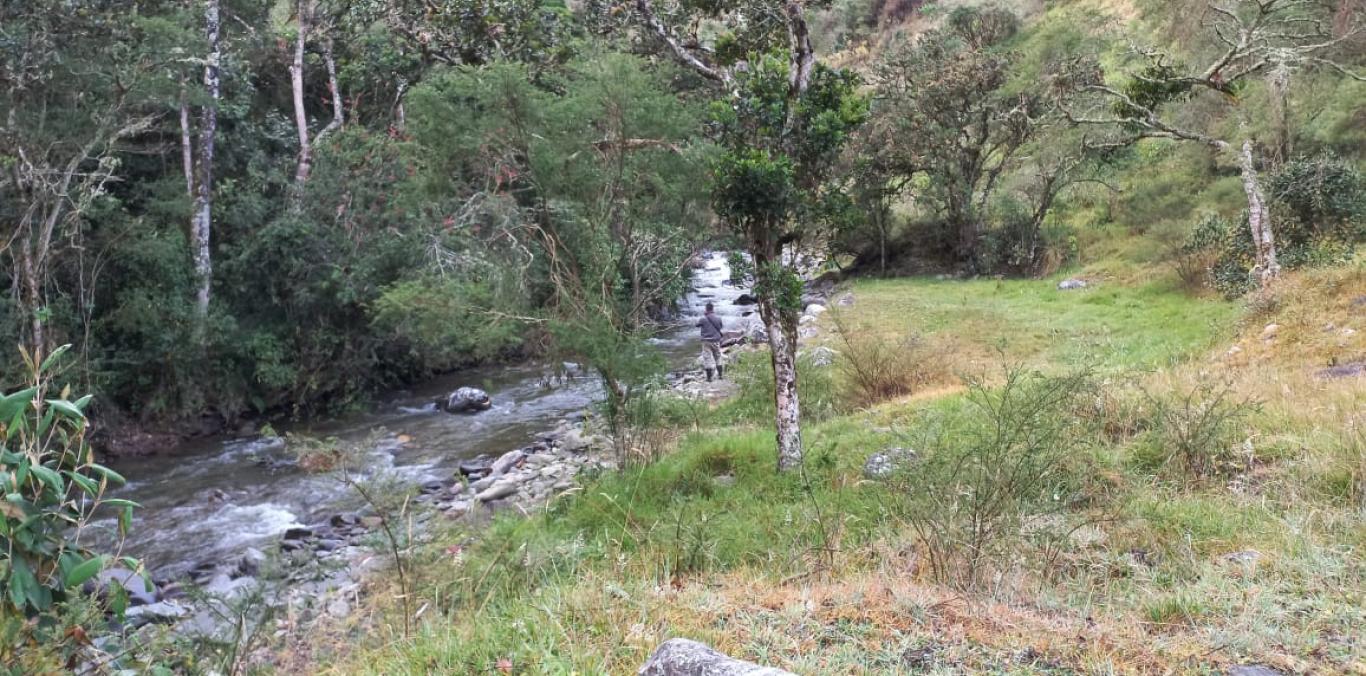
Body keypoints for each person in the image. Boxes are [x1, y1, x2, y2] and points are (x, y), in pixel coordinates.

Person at [697, 302, 725, 382]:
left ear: (706, 309)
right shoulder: (718, 318)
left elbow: (697, 325)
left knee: (707, 358)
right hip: (716, 341)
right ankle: (720, 375)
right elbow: (720, 327)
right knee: (718, 357)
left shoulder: (703, 318)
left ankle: (709, 378)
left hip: (706, 341)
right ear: (713, 309)